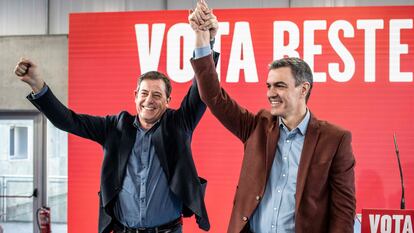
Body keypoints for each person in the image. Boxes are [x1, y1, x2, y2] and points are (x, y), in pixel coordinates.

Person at [13, 16, 219, 233]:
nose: (149, 100)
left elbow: (201, 89)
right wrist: (37, 84)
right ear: (135, 96)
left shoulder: (178, 125)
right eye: (144, 93)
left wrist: (205, 41)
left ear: (168, 101)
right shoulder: (115, 127)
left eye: (157, 95)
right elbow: (68, 121)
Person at [189, 3, 356, 233]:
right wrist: (203, 39)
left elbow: (343, 212)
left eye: (280, 86)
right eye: (268, 86)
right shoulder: (256, 126)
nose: (270, 93)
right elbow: (212, 96)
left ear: (303, 89)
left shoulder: (335, 139)